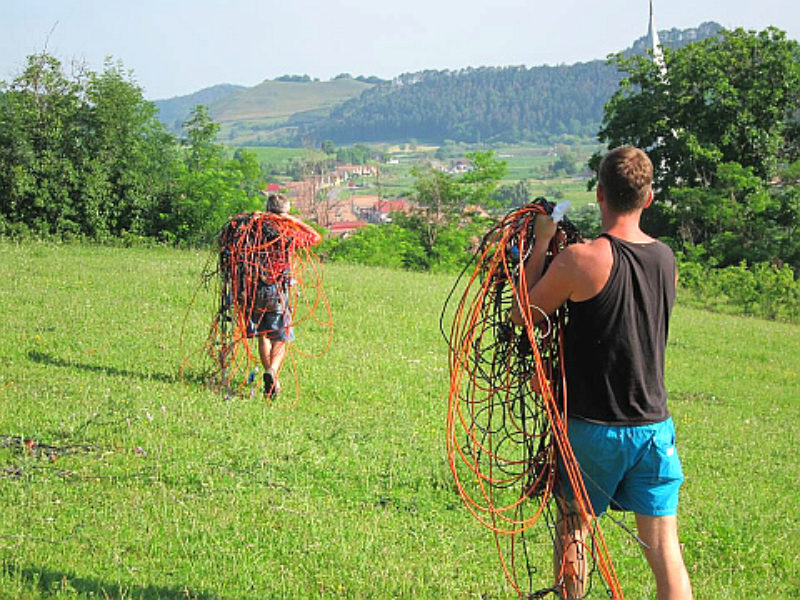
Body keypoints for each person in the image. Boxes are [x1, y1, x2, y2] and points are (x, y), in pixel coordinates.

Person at [510, 146, 693, 599]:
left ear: (599, 195)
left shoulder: (581, 259)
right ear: (647, 198)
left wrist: (539, 246)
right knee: (665, 547)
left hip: (593, 429)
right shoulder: (666, 260)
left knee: (574, 528)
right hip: (654, 428)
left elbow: (523, 314)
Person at [248, 193, 321, 398]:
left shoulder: (253, 231)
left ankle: (274, 381)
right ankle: (272, 371)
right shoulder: (287, 235)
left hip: (255, 288)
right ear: (284, 213)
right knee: (280, 337)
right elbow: (315, 237)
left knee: (262, 334)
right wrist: (293, 220)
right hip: (278, 290)